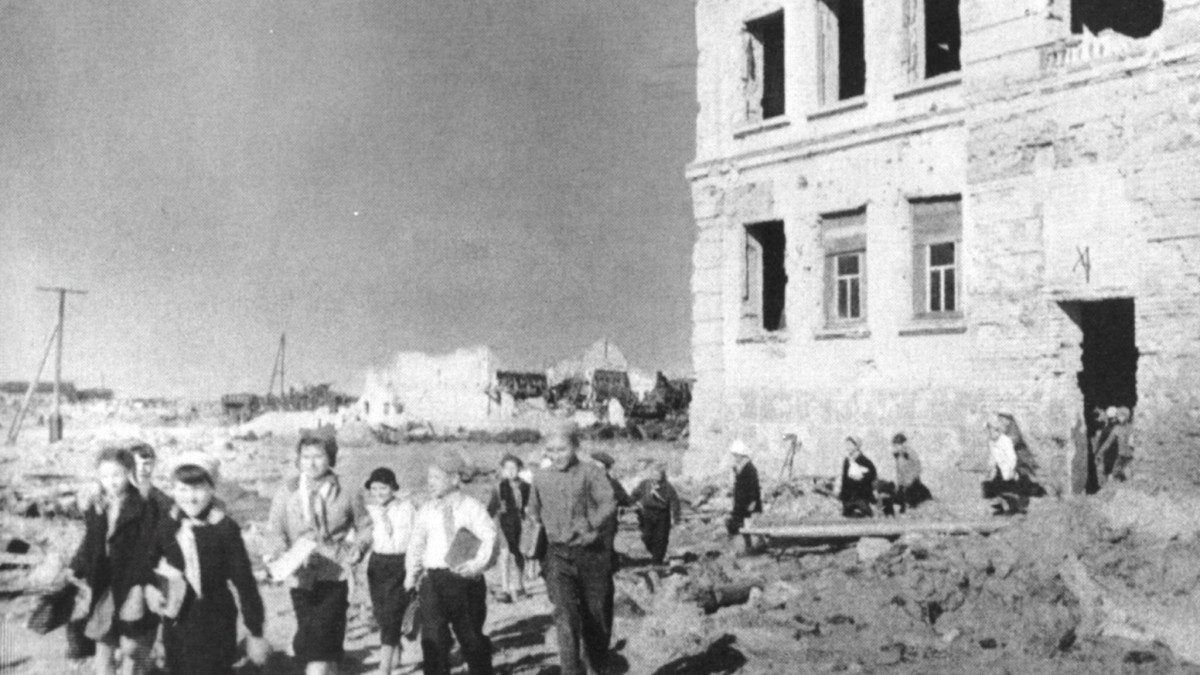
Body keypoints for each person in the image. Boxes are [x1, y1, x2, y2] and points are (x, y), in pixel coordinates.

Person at [145, 451, 268, 675]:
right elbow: (146, 565)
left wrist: (255, 632)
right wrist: (150, 588)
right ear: (173, 490)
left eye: (198, 489)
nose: (191, 498)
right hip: (177, 619)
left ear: (212, 489)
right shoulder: (166, 526)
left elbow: (245, 583)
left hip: (216, 620)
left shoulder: (225, 529)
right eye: (183, 489)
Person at [265, 428, 370, 675]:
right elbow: (275, 531)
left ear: (330, 457)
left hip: (335, 577)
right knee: (318, 645)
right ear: (299, 459)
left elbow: (365, 526)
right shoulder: (286, 492)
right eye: (306, 457)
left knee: (320, 644)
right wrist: (280, 555)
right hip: (300, 579)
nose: (311, 463)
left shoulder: (347, 490)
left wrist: (358, 549)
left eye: (318, 456)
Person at [528, 421, 616, 675]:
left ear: (575, 447)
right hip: (556, 555)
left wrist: (591, 524)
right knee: (565, 617)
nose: (556, 456)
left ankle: (597, 666)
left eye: (562, 450)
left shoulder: (591, 472)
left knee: (597, 616)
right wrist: (533, 535)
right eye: (551, 450)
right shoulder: (540, 477)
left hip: (591, 554)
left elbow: (608, 502)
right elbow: (533, 510)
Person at [404, 451, 497, 675]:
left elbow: (490, 538)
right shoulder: (426, 510)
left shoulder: (472, 507)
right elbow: (416, 544)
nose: (430, 482)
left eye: (436, 477)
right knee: (433, 637)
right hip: (433, 580)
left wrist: (476, 566)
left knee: (470, 636)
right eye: (429, 477)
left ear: (455, 479)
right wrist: (411, 575)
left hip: (465, 579)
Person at [67, 447, 158, 675]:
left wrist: (141, 584)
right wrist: (76, 566)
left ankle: (137, 668)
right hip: (102, 582)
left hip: (131, 583)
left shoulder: (143, 506)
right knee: (103, 641)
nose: (111, 482)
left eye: (117, 475)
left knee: (131, 645)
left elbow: (148, 547)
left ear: (129, 472)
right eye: (105, 476)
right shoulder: (97, 505)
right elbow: (90, 541)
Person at [363, 467, 416, 675]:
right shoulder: (370, 511)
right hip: (377, 564)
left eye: (383, 488)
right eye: (374, 489)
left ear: (393, 487)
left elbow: (416, 537)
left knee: (393, 612)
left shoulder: (407, 508)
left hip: (400, 562)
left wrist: (415, 568)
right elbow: (363, 537)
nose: (378, 493)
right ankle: (395, 647)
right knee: (381, 613)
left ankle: (384, 667)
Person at [487, 454, 530, 603]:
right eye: (507, 468)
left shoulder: (526, 486)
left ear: (519, 469)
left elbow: (531, 505)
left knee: (519, 554)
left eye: (514, 468)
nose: (511, 471)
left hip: (521, 524)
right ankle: (505, 588)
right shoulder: (499, 487)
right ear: (503, 470)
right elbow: (492, 506)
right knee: (504, 554)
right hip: (504, 524)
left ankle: (520, 585)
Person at [629, 463, 681, 565]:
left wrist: (675, 517)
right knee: (646, 537)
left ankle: (657, 562)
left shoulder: (667, 487)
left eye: (660, 474)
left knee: (661, 538)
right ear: (651, 474)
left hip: (662, 515)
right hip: (646, 514)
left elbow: (675, 502)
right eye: (656, 474)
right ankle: (656, 554)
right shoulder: (644, 484)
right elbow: (634, 495)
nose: (658, 476)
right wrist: (634, 503)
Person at [726, 440, 762, 552]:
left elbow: (754, 486)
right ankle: (749, 546)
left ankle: (755, 545)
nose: (735, 458)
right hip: (741, 503)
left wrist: (753, 502)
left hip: (748, 503)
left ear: (741, 455)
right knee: (742, 525)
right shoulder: (741, 468)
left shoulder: (750, 469)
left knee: (750, 526)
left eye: (736, 455)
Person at [883, 434, 932, 515]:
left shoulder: (910, 453)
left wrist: (911, 479)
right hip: (903, 484)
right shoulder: (898, 456)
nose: (896, 447)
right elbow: (899, 472)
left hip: (912, 482)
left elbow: (918, 467)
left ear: (904, 444)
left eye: (898, 444)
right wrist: (900, 484)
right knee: (898, 501)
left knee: (914, 501)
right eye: (895, 445)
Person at [129, 443, 174, 519]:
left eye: (146, 463)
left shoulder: (163, 501)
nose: (141, 469)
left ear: (153, 465)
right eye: (136, 464)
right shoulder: (117, 496)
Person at [838, 437, 878, 518]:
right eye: (846, 445)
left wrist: (861, 477)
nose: (847, 447)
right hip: (849, 497)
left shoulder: (865, 461)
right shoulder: (847, 461)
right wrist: (843, 495)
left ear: (856, 446)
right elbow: (844, 480)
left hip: (861, 496)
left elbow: (872, 475)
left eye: (850, 445)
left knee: (863, 514)